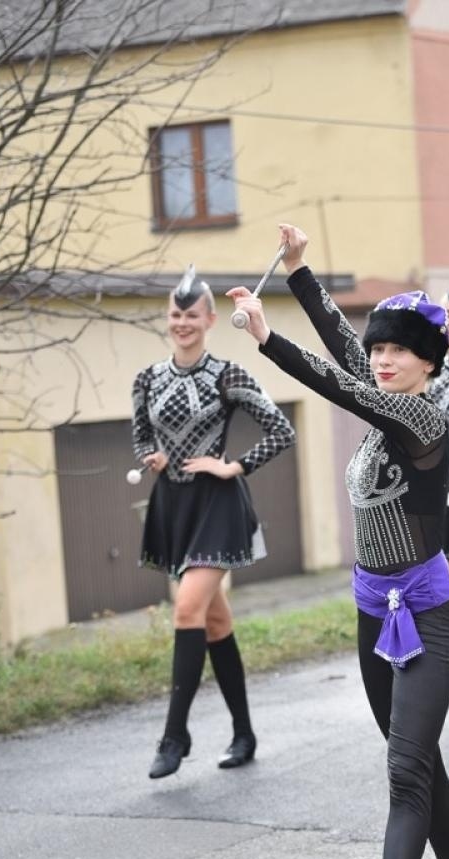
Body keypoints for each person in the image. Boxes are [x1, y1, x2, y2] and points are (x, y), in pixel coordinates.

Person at [229, 272, 449, 859]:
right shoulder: (383, 413)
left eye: (401, 351)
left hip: (431, 617)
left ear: (430, 362)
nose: (384, 358)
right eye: (381, 350)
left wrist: (268, 336)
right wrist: (300, 273)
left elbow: (342, 385)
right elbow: (349, 354)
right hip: (374, 612)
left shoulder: (423, 421)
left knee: (405, 772)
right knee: (420, 762)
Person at [133, 266, 295, 779]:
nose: (183, 322)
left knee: (187, 610)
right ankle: (243, 732)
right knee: (216, 620)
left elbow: (281, 429)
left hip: (218, 505)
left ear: (209, 319)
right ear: (169, 319)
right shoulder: (147, 379)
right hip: (174, 505)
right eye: (175, 314)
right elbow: (140, 435)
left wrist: (234, 465)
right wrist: (151, 455)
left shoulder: (229, 375)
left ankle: (174, 735)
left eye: (191, 315)